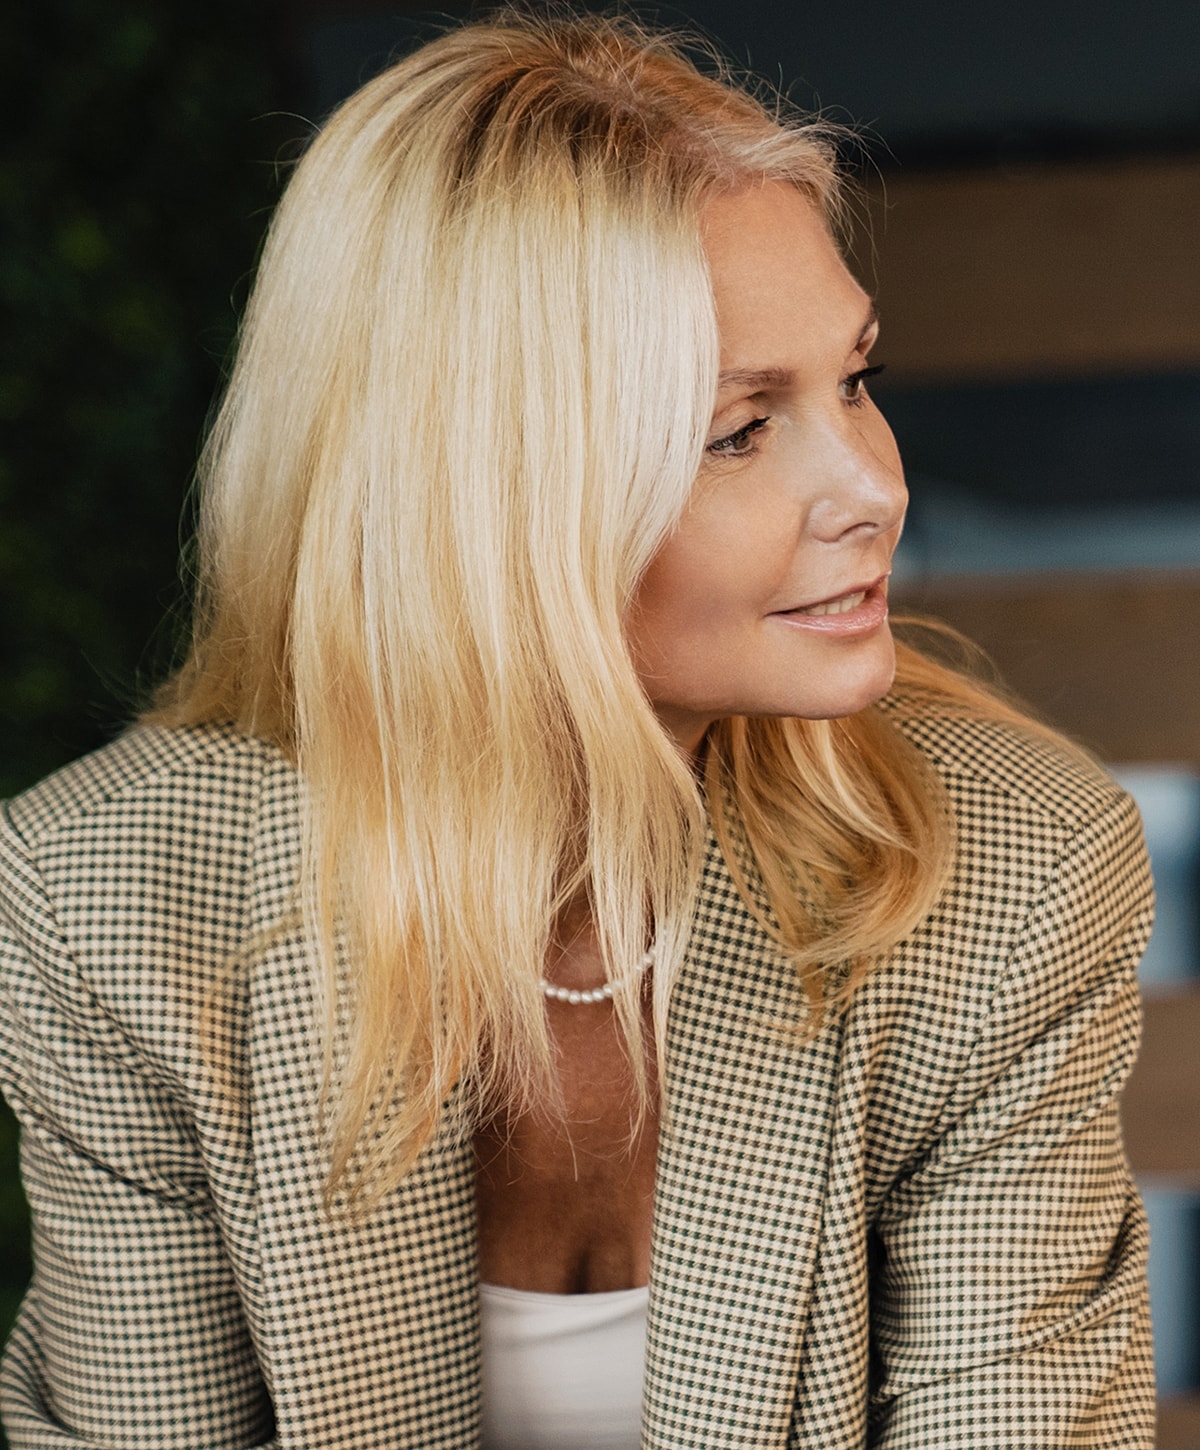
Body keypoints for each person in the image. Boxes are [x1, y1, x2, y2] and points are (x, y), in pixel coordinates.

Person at [0, 10, 1155, 1448]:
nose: (869, 484)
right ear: (487, 495)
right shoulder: (109, 906)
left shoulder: (1011, 866)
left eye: (854, 379)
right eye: (741, 428)